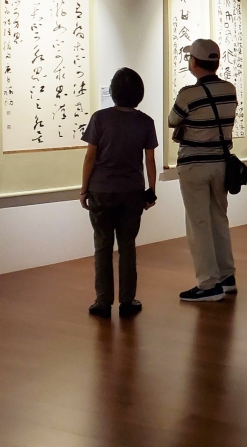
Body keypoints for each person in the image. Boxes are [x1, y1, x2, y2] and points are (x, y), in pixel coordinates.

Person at [80, 67, 158, 319]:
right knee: (127, 246)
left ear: (113, 92)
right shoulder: (145, 122)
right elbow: (150, 160)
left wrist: (83, 190)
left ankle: (103, 301)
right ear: (139, 94)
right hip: (132, 192)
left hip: (101, 190)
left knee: (102, 245)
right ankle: (127, 300)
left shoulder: (99, 119)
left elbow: (90, 157)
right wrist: (151, 191)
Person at [169, 39, 239, 302]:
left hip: (194, 165)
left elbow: (172, 120)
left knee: (198, 224)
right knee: (219, 219)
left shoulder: (188, 94)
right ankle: (227, 276)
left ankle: (208, 284)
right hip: (221, 164)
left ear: (195, 63)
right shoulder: (229, 89)